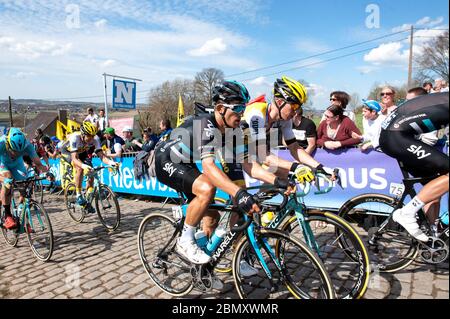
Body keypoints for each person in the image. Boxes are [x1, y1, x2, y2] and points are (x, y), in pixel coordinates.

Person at [154, 80, 289, 269]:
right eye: (238, 108)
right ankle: (184, 241)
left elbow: (251, 166)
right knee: (207, 188)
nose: (241, 113)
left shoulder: (234, 129)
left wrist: (278, 181)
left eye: (244, 107)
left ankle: (205, 269)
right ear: (220, 108)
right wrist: (239, 193)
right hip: (166, 160)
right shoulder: (205, 125)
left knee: (213, 217)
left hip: (188, 163)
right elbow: (209, 167)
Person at [379, 92, 449, 242]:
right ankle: (407, 213)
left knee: (436, 183)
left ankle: (434, 235)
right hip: (396, 137)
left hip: (397, 135)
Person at [242, 76, 334, 180]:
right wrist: (297, 167)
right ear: (280, 102)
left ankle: (264, 194)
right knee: (239, 190)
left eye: (298, 108)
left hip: (248, 149)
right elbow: (264, 156)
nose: (296, 112)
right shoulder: (257, 115)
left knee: (286, 178)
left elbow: (294, 147)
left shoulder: (285, 119)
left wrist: (319, 167)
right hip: (228, 144)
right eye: (294, 107)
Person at [61, 122, 119, 212]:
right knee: (79, 168)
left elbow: (102, 156)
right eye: (89, 136)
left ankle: (87, 200)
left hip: (82, 152)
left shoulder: (95, 139)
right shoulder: (75, 138)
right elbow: (75, 158)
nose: (91, 138)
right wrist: (83, 166)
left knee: (91, 172)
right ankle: (79, 195)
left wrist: (112, 163)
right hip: (68, 152)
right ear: (83, 134)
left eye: (92, 136)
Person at [0, 128, 49, 229]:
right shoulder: (1, 144)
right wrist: (4, 180)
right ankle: (7, 216)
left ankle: (20, 216)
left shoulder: (27, 145)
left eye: (19, 152)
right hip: (3, 163)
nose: (15, 153)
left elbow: (38, 164)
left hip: (17, 164)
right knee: (8, 179)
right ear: (8, 144)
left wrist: (47, 172)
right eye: (13, 150)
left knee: (27, 183)